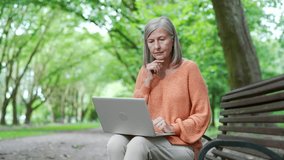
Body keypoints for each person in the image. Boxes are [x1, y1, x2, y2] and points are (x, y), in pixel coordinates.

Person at [107, 16, 211, 160]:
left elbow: (203, 115)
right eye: (151, 41)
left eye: (162, 39)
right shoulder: (145, 71)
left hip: (181, 145)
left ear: (173, 40)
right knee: (115, 142)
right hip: (147, 138)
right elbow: (134, 115)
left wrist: (174, 127)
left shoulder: (189, 69)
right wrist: (147, 82)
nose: (157, 46)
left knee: (138, 144)